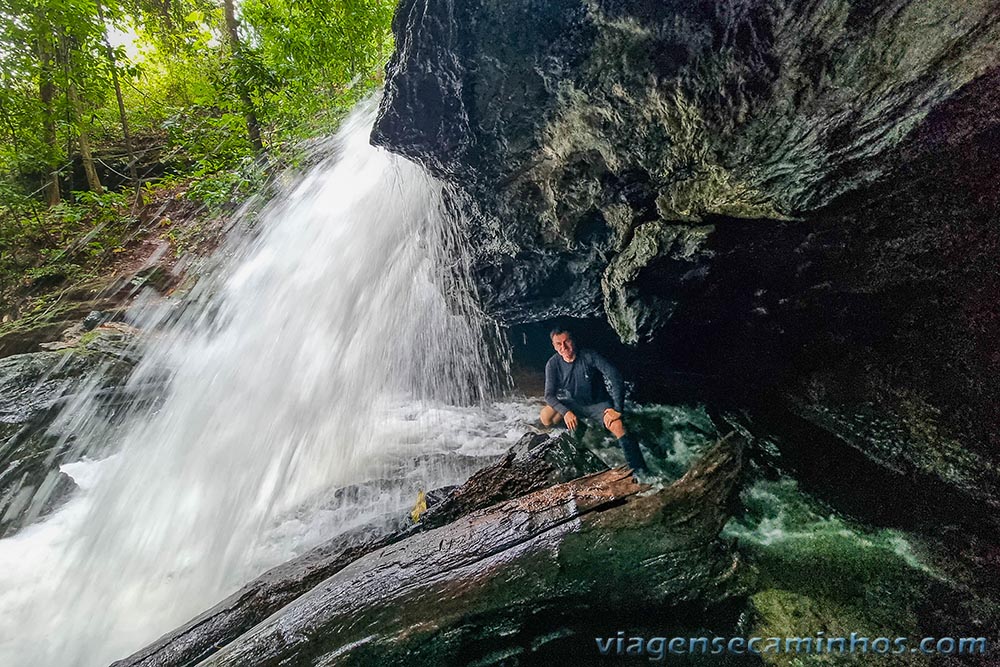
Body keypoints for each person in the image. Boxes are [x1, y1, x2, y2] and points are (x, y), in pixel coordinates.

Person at [540, 326, 648, 472]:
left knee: (618, 426)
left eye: (566, 342)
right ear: (554, 346)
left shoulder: (589, 356)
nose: (563, 347)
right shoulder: (553, 364)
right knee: (546, 417)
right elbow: (549, 395)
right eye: (558, 344)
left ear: (573, 340)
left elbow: (615, 376)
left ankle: (640, 471)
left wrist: (617, 409)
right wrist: (566, 412)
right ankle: (578, 428)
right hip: (574, 404)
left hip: (599, 404)